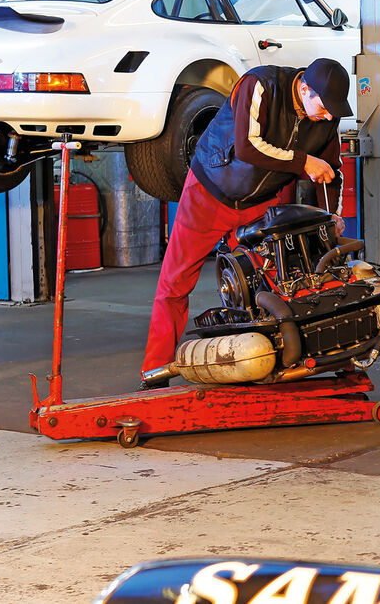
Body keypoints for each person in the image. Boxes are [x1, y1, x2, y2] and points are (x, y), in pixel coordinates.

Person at [139, 58, 353, 389]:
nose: (328, 116)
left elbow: (329, 171)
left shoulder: (326, 118)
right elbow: (247, 147)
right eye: (325, 108)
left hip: (260, 202)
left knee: (275, 281)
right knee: (175, 282)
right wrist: (302, 161)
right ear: (305, 88)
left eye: (334, 112)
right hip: (210, 192)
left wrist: (329, 216)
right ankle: (155, 370)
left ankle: (270, 361)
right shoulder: (261, 85)